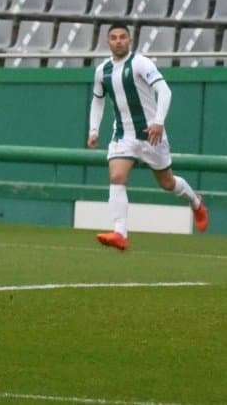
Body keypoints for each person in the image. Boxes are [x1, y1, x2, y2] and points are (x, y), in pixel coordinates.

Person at [87, 24, 209, 251]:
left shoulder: (141, 63)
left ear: (130, 40)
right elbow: (97, 100)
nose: (118, 41)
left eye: (123, 37)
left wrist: (158, 122)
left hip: (150, 133)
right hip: (123, 134)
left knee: (167, 183)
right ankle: (120, 232)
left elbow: (165, 91)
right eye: (113, 38)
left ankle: (196, 202)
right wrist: (94, 130)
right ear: (107, 42)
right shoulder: (101, 70)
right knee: (117, 177)